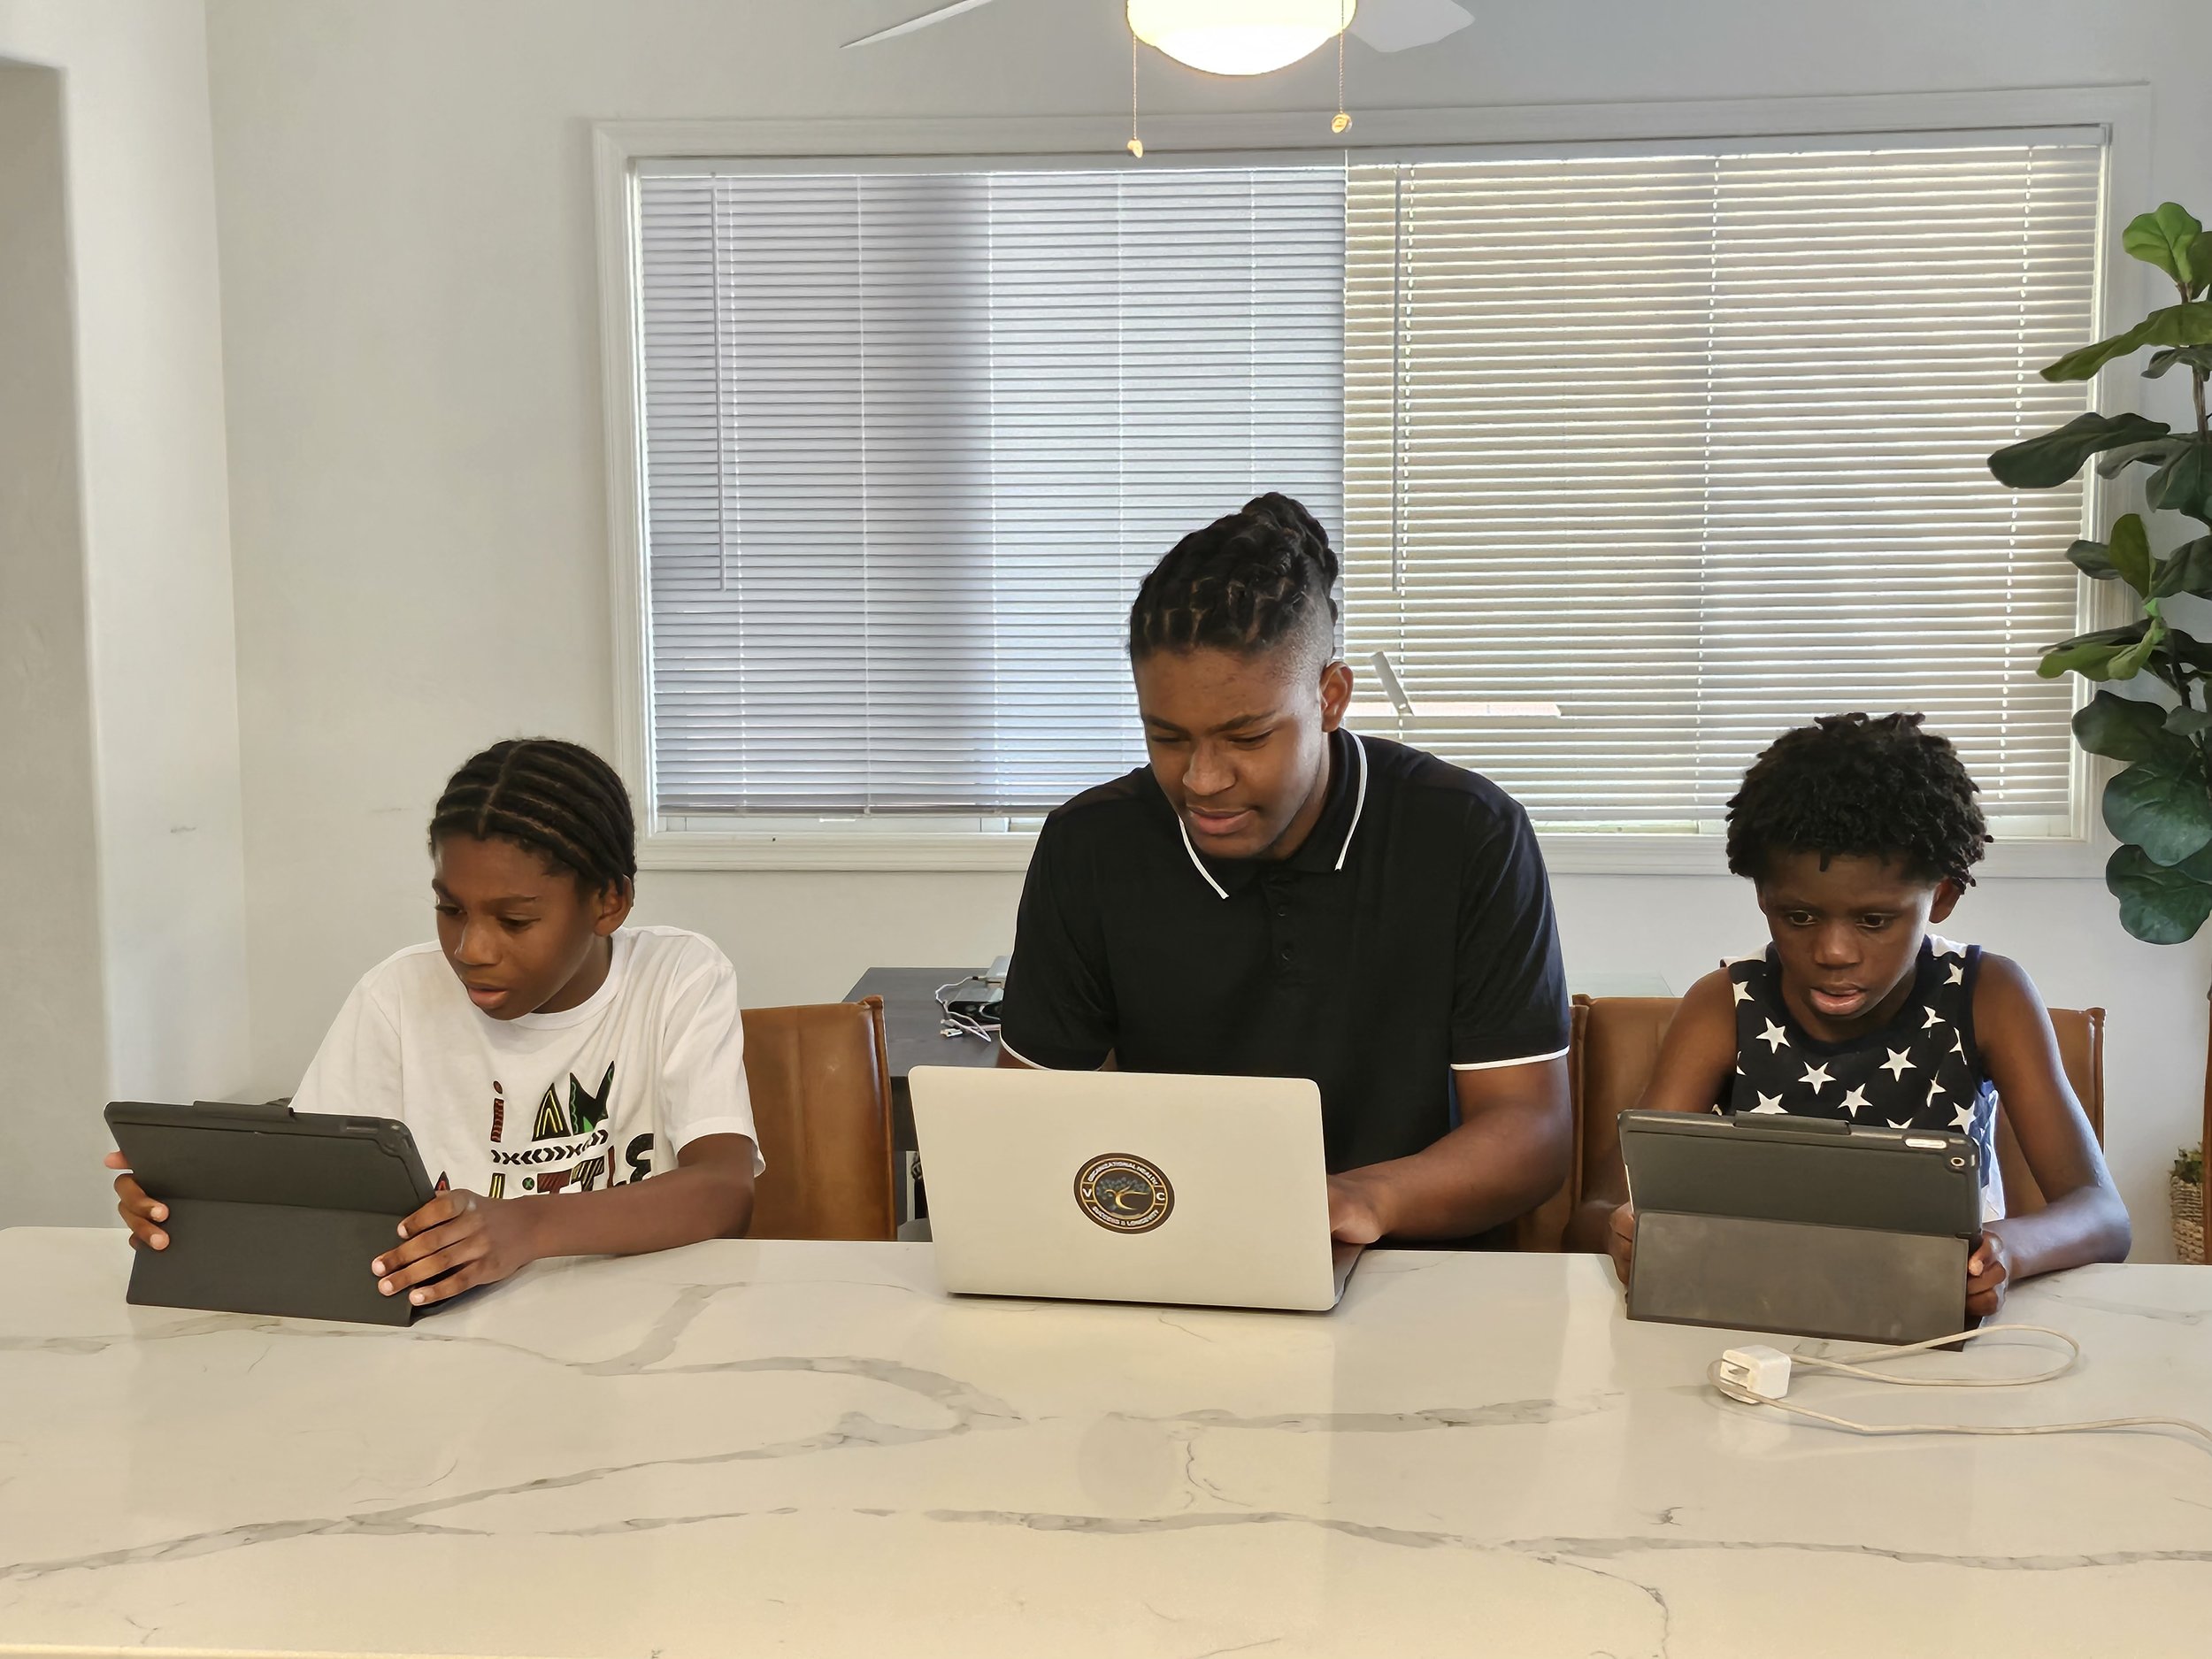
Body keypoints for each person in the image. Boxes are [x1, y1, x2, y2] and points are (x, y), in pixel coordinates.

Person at [996, 494, 1572, 1246]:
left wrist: (1358, 1200)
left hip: (1420, 1271)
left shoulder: (1470, 833)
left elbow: (1531, 1127)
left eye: (1247, 737)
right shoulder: (1090, 847)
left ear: (1330, 697)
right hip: (1175, 1259)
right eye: (1167, 737)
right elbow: (1028, 1123)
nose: (1202, 780)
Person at [107, 739, 760, 1307]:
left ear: (609, 901)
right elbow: (314, 1195)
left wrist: (527, 1226)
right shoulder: (397, 993)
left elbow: (724, 1190)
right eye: (451, 910)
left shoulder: (678, 976)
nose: (471, 949)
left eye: (515, 920)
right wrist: (193, 1210)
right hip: (451, 1344)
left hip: (641, 1335)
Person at [1567, 712, 2130, 1316]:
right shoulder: (1724, 1006)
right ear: (1763, 896)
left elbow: (2103, 1216)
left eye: (1874, 920)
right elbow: (1594, 1215)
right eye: (1799, 917)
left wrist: (2007, 1250)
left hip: (1938, 1318)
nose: (1833, 952)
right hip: (1753, 1319)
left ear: (1941, 896)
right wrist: (1622, 1232)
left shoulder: (1988, 995)